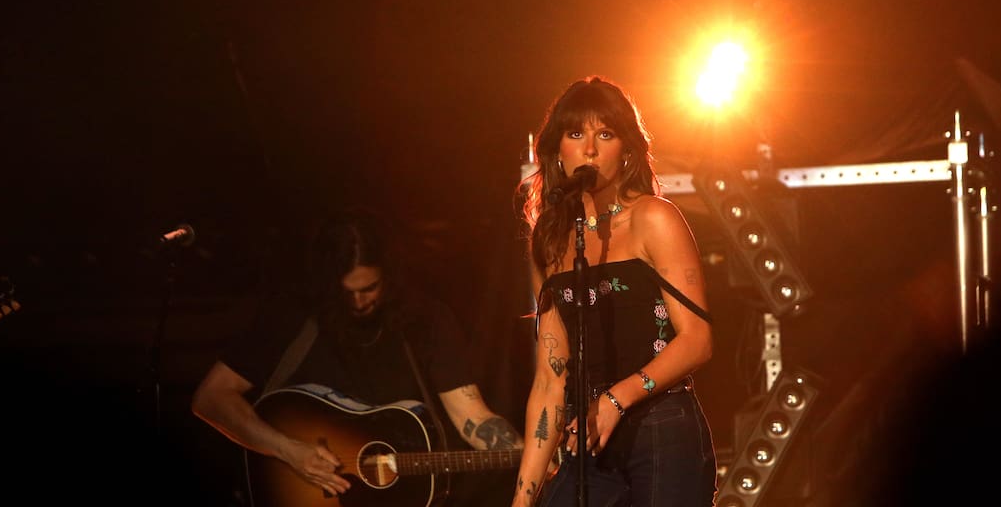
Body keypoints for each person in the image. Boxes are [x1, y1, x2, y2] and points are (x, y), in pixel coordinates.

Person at [191, 205, 524, 504]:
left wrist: (534, 455)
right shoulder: (292, 315)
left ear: (389, 277)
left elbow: (473, 418)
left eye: (369, 289)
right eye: (346, 292)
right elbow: (212, 397)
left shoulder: (426, 320)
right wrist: (288, 450)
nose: (358, 302)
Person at [511, 76, 717, 506]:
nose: (589, 149)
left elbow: (697, 340)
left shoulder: (654, 218)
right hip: (587, 434)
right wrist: (522, 500)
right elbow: (550, 377)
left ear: (626, 149)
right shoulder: (548, 243)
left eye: (605, 134)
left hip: (661, 424)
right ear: (555, 151)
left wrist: (615, 399)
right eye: (575, 134)